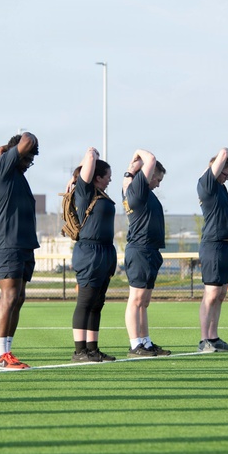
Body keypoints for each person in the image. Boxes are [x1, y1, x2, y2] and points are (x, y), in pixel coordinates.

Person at [0, 132, 39, 370]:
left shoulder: (13, 171)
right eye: (26, 159)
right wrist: (14, 150)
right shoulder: (2, 169)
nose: (28, 164)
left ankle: (7, 351)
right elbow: (27, 138)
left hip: (22, 243)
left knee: (18, 297)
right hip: (7, 242)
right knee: (9, 296)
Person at [68, 147, 117, 362]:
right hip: (89, 251)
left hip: (105, 251)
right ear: (96, 177)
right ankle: (79, 352)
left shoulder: (101, 194)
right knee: (85, 301)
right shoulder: (85, 191)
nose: (109, 181)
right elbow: (88, 159)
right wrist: (92, 153)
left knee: (98, 302)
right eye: (107, 177)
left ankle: (92, 349)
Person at [122, 149, 171, 357]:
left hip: (149, 249)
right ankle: (136, 344)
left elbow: (127, 179)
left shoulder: (135, 188)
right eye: (157, 179)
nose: (158, 184)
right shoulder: (138, 189)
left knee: (144, 300)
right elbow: (150, 159)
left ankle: (146, 342)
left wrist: (130, 169)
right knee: (136, 299)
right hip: (140, 249)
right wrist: (137, 155)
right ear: (147, 175)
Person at [197, 147, 228, 353]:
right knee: (211, 294)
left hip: (226, 247)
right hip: (213, 245)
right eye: (225, 173)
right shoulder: (207, 184)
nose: (227, 178)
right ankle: (204, 340)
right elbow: (222, 153)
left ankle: (213, 337)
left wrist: (227, 164)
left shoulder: (221, 187)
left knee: (221, 294)